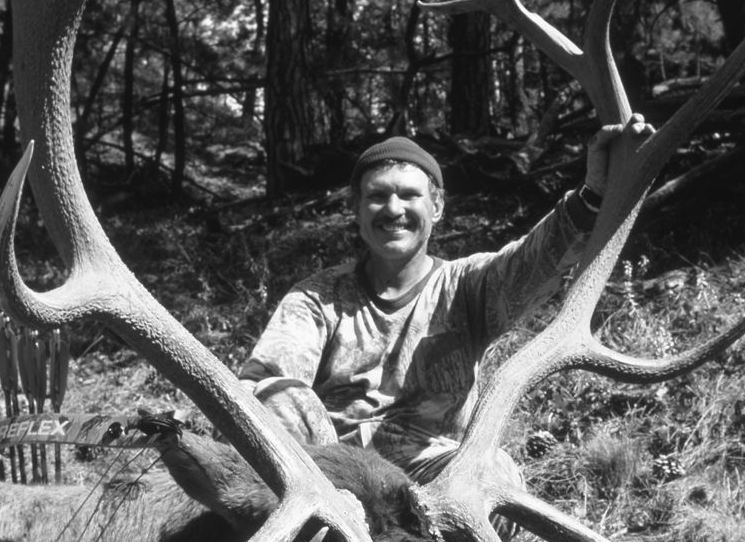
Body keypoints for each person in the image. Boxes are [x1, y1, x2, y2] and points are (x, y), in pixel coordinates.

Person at [239, 121, 650, 495]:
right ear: (357, 210)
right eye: (377, 196)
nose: (394, 209)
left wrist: (593, 194)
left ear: (436, 208)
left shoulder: (467, 287)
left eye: (409, 195)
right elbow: (261, 385)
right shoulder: (316, 298)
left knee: (493, 474)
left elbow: (535, 260)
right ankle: (309, 536)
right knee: (272, 394)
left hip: (428, 478)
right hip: (328, 478)